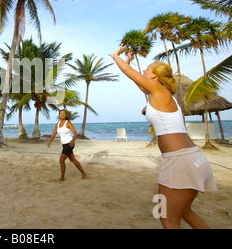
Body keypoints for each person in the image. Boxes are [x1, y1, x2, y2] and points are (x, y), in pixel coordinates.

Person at [110, 44, 217, 229]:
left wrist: (116, 55)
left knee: (167, 218)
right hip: (194, 159)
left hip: (178, 161)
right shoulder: (161, 93)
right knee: (184, 211)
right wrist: (127, 61)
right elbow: (140, 85)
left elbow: (128, 71)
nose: (143, 69)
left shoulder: (158, 91)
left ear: (154, 76)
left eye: (147, 68)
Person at [47, 109, 88, 181]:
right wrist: (50, 140)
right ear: (59, 115)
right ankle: (84, 174)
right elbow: (54, 133)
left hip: (69, 143)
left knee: (61, 160)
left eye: (64, 113)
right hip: (64, 144)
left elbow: (75, 133)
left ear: (66, 115)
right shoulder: (57, 124)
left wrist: (73, 140)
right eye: (61, 113)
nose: (62, 115)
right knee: (73, 159)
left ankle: (62, 177)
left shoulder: (68, 123)